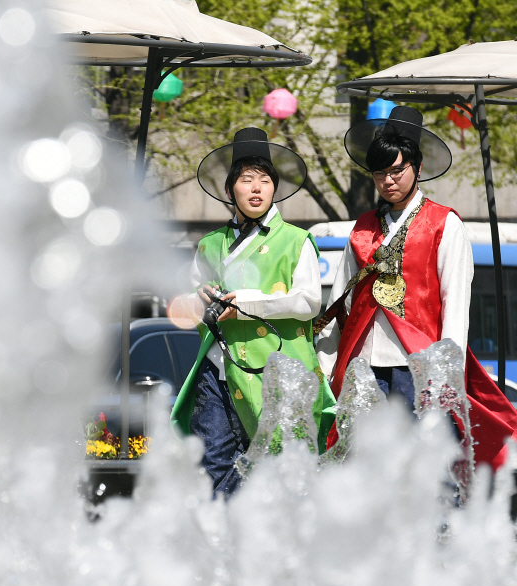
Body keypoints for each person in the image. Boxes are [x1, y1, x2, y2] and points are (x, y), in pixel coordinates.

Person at [316, 106, 517, 468]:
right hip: (365, 364)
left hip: (419, 366)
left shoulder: (444, 224)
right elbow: (340, 302)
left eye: (397, 170)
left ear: (418, 168)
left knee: (423, 468)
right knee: (365, 463)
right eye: (380, 173)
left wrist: (445, 374)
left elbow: (455, 303)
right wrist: (327, 362)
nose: (388, 181)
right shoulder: (363, 226)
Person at [171, 127, 335, 495]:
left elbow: (308, 302)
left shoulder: (296, 240)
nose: (257, 188)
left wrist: (244, 305)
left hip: (276, 370)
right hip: (218, 369)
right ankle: (224, 544)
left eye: (264, 180)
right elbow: (185, 302)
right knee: (214, 462)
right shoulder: (210, 245)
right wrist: (200, 298)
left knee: (280, 467)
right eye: (247, 180)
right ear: (231, 190)